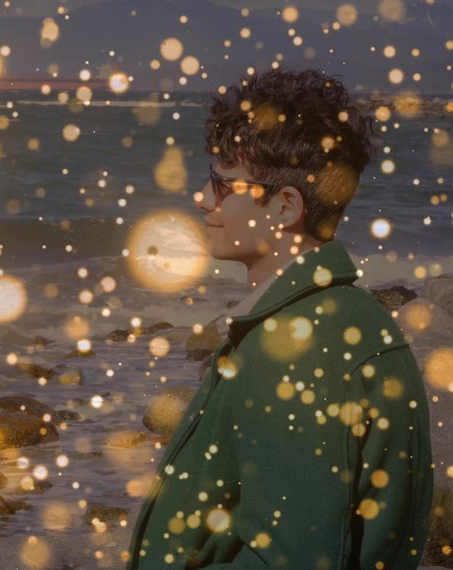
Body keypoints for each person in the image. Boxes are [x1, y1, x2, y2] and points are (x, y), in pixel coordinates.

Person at [126, 68, 433, 569]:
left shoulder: (299, 346)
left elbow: (290, 558)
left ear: (285, 207)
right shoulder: (335, 317)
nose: (203, 198)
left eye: (223, 184)